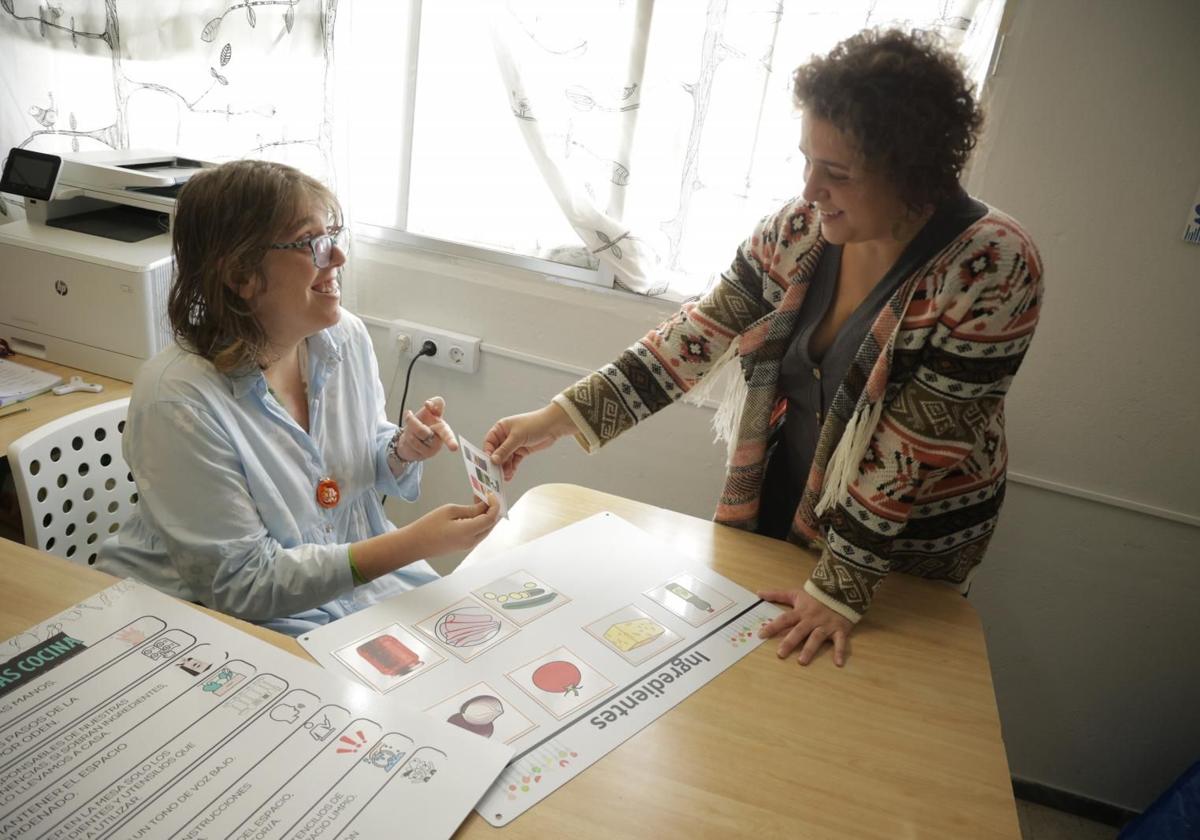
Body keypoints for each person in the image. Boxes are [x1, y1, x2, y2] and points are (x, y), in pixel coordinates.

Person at [485, 29, 1044, 667]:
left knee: (865, 701)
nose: (809, 188)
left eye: (836, 173)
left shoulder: (994, 265)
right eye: (806, 161)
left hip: (908, 546)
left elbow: (911, 451)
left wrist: (840, 588)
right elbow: (692, 336)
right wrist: (557, 419)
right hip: (787, 499)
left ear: (912, 173)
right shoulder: (798, 230)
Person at [98, 160, 499, 636]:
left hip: (350, 589)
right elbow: (242, 585)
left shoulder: (343, 338)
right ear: (241, 274)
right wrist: (412, 544)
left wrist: (400, 450)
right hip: (211, 619)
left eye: (334, 235)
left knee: (474, 639)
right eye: (312, 243)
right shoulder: (178, 400)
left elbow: (351, 462)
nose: (338, 258)